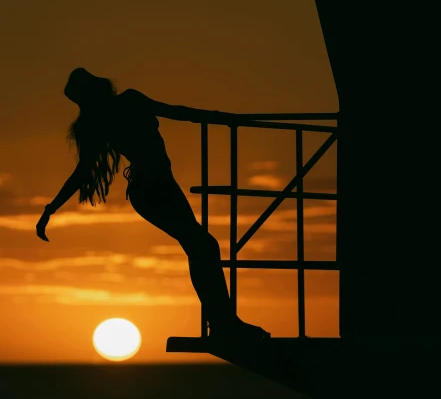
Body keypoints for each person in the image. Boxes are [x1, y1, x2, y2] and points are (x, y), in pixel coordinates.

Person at [35, 68, 270, 340]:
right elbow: (83, 172)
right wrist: (50, 209)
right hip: (150, 188)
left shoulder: (126, 103)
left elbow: (176, 111)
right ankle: (224, 324)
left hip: (162, 185)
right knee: (202, 245)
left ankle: (223, 323)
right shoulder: (110, 114)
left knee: (200, 247)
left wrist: (219, 119)